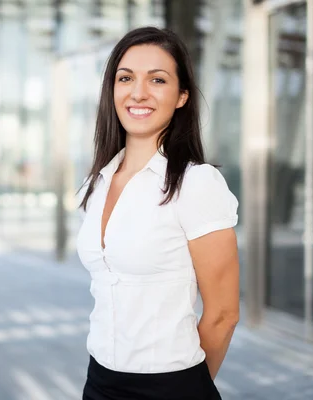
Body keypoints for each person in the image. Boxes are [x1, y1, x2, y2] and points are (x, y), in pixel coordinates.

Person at [77, 27, 239, 400]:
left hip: (171, 385)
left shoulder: (196, 183)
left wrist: (189, 389)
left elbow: (223, 313)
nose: (138, 92)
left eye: (158, 80)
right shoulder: (98, 183)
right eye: (126, 78)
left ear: (182, 96)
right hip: (99, 380)